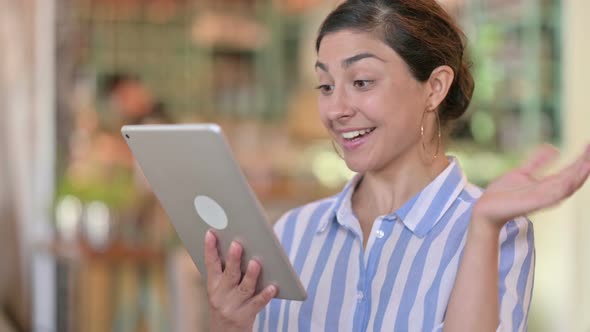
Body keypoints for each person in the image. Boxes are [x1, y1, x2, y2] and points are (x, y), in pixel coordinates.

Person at [202, 1, 590, 331]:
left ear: (434, 87)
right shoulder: (293, 232)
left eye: (363, 81)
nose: (336, 109)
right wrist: (230, 325)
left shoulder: (499, 233)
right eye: (326, 86)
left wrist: (484, 226)